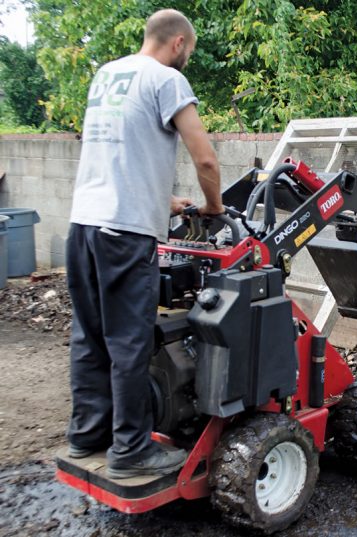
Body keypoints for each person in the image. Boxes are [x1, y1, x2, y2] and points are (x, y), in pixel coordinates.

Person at [65, 9, 223, 479]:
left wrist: (164, 200)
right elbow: (207, 161)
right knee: (130, 342)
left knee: (89, 337)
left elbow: (120, 153)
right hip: (124, 235)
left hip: (84, 227)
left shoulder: (107, 75)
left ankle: (87, 435)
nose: (185, 61)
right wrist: (212, 207)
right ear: (178, 44)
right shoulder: (166, 80)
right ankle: (132, 449)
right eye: (188, 54)